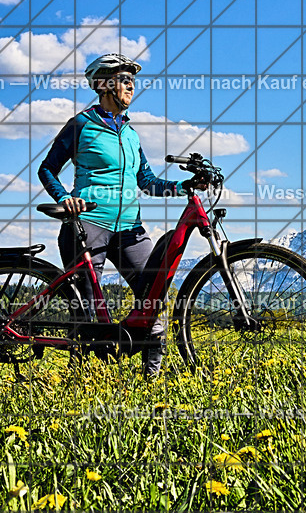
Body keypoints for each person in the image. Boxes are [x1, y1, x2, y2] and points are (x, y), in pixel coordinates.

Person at [38, 52, 194, 377]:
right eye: (124, 80)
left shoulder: (131, 134)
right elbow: (47, 169)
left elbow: (147, 182)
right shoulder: (81, 125)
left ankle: (152, 379)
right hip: (87, 223)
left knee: (154, 298)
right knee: (86, 312)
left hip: (130, 230)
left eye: (133, 81)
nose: (131, 87)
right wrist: (65, 198)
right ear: (104, 85)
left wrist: (184, 186)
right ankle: (80, 380)